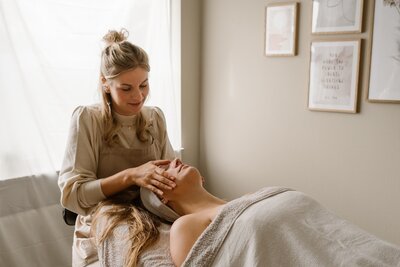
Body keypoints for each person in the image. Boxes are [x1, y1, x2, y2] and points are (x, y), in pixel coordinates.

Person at [58, 28, 177, 267]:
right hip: (104, 223)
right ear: (105, 83)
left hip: (151, 216)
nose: (139, 96)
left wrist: (180, 182)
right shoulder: (87, 120)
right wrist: (132, 175)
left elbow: (168, 172)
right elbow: (73, 195)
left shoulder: (154, 118)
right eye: (126, 88)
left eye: (144, 85)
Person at [139, 159, 400, 267]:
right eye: (167, 170)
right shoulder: (186, 225)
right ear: (162, 196)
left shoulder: (247, 200)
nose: (175, 161)